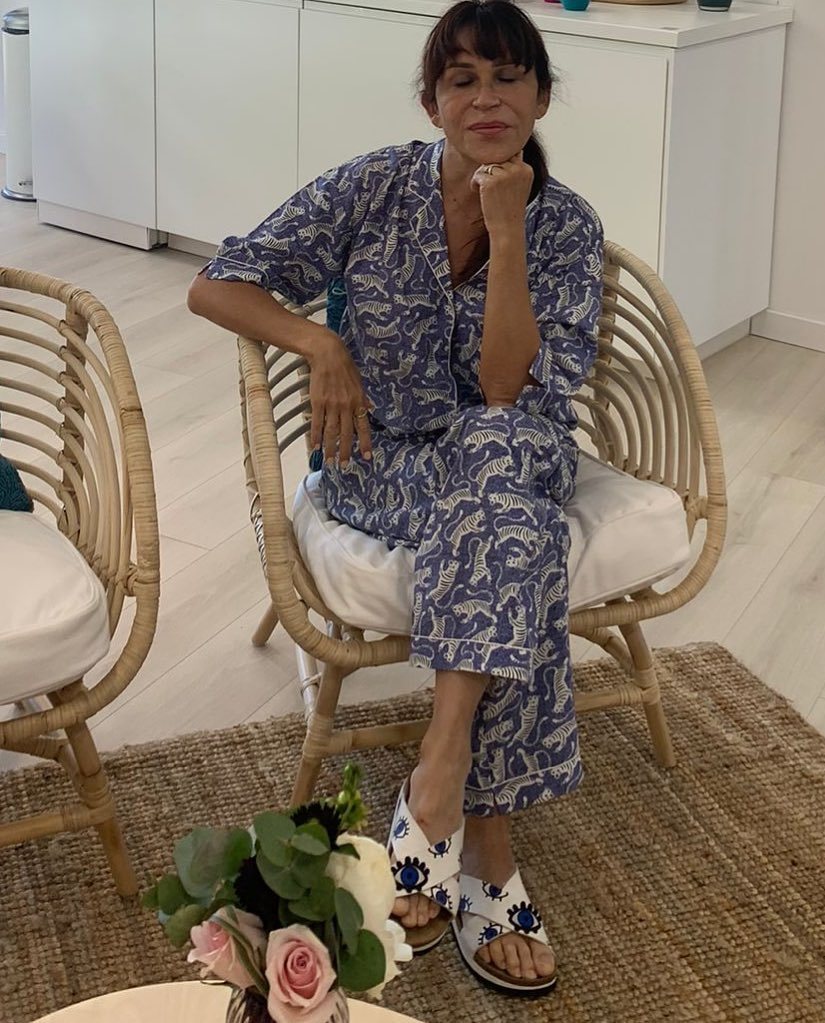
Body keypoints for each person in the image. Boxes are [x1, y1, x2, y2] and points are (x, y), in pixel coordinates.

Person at [187, 0, 603, 997]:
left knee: (499, 449)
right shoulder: (371, 187)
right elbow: (217, 284)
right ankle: (488, 852)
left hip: (514, 448)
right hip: (385, 463)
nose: (487, 98)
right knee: (515, 526)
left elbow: (504, 390)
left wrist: (507, 232)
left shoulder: (566, 227)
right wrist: (321, 342)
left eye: (508, 76)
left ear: (542, 96)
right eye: (462, 79)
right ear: (431, 103)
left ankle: (441, 764)